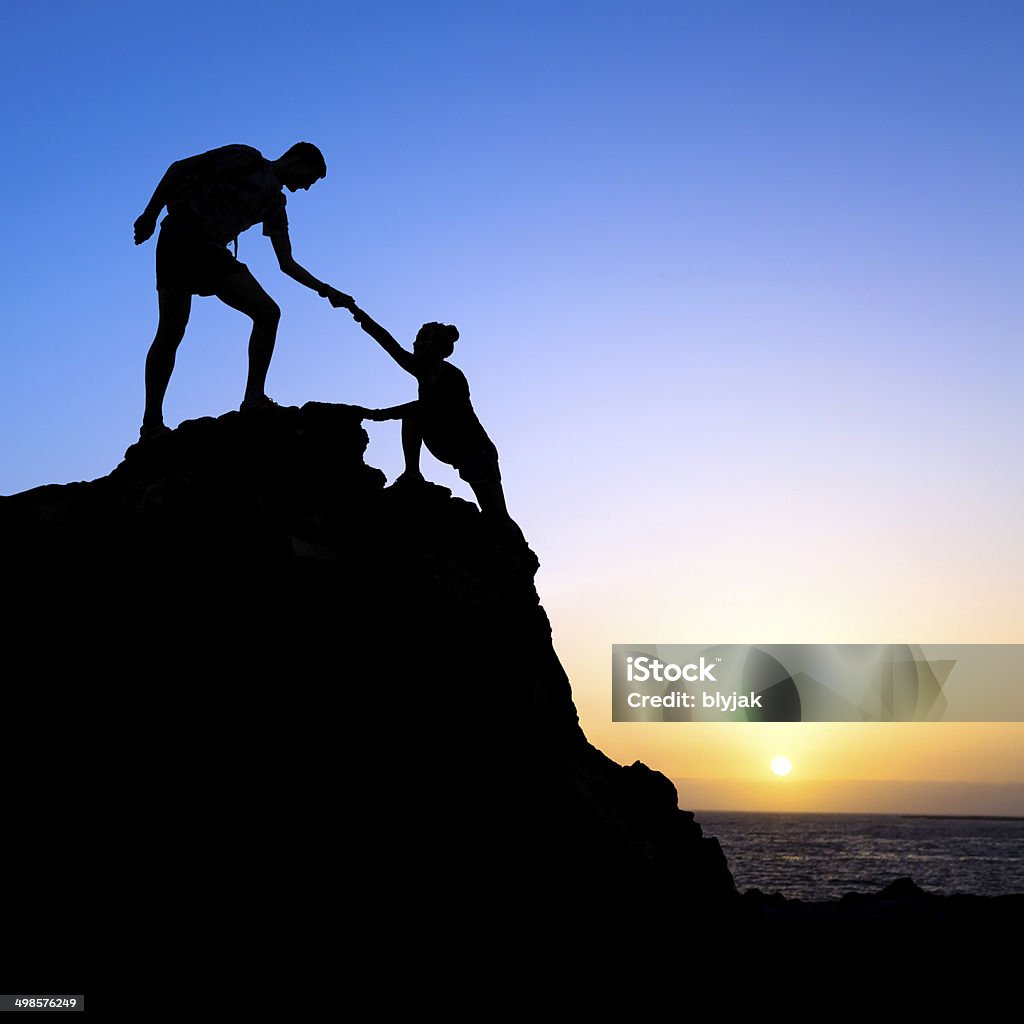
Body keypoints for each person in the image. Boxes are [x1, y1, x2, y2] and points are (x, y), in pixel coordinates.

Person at [133, 142, 350, 439]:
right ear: (298, 159)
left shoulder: (276, 204)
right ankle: (152, 424)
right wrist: (150, 214)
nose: (306, 188)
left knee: (267, 312)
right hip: (181, 236)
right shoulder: (247, 158)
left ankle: (253, 399)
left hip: (211, 250)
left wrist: (326, 290)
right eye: (309, 178)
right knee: (171, 330)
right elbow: (180, 168)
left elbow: (286, 263)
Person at [338, 299, 513, 522]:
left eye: (424, 339)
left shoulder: (453, 378)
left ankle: (515, 546)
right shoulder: (420, 366)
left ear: (440, 349)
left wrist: (377, 414)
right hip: (446, 441)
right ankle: (412, 473)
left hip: (474, 449)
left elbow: (427, 408)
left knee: (497, 514)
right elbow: (386, 340)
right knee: (413, 417)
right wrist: (356, 312)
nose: (415, 343)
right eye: (417, 338)